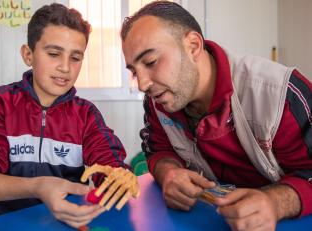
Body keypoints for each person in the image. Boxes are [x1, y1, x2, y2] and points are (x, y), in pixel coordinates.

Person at [121, 1, 312, 231]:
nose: (142, 84)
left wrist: (275, 203)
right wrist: (169, 172)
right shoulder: (158, 100)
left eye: (151, 62)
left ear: (193, 46)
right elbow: (157, 149)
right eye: (133, 71)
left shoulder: (283, 95)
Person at [0, 3, 128, 229]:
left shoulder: (87, 115)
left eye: (75, 57)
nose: (65, 67)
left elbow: (110, 165)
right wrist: (37, 186)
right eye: (53, 54)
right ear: (28, 54)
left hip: (64, 223)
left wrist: (117, 179)